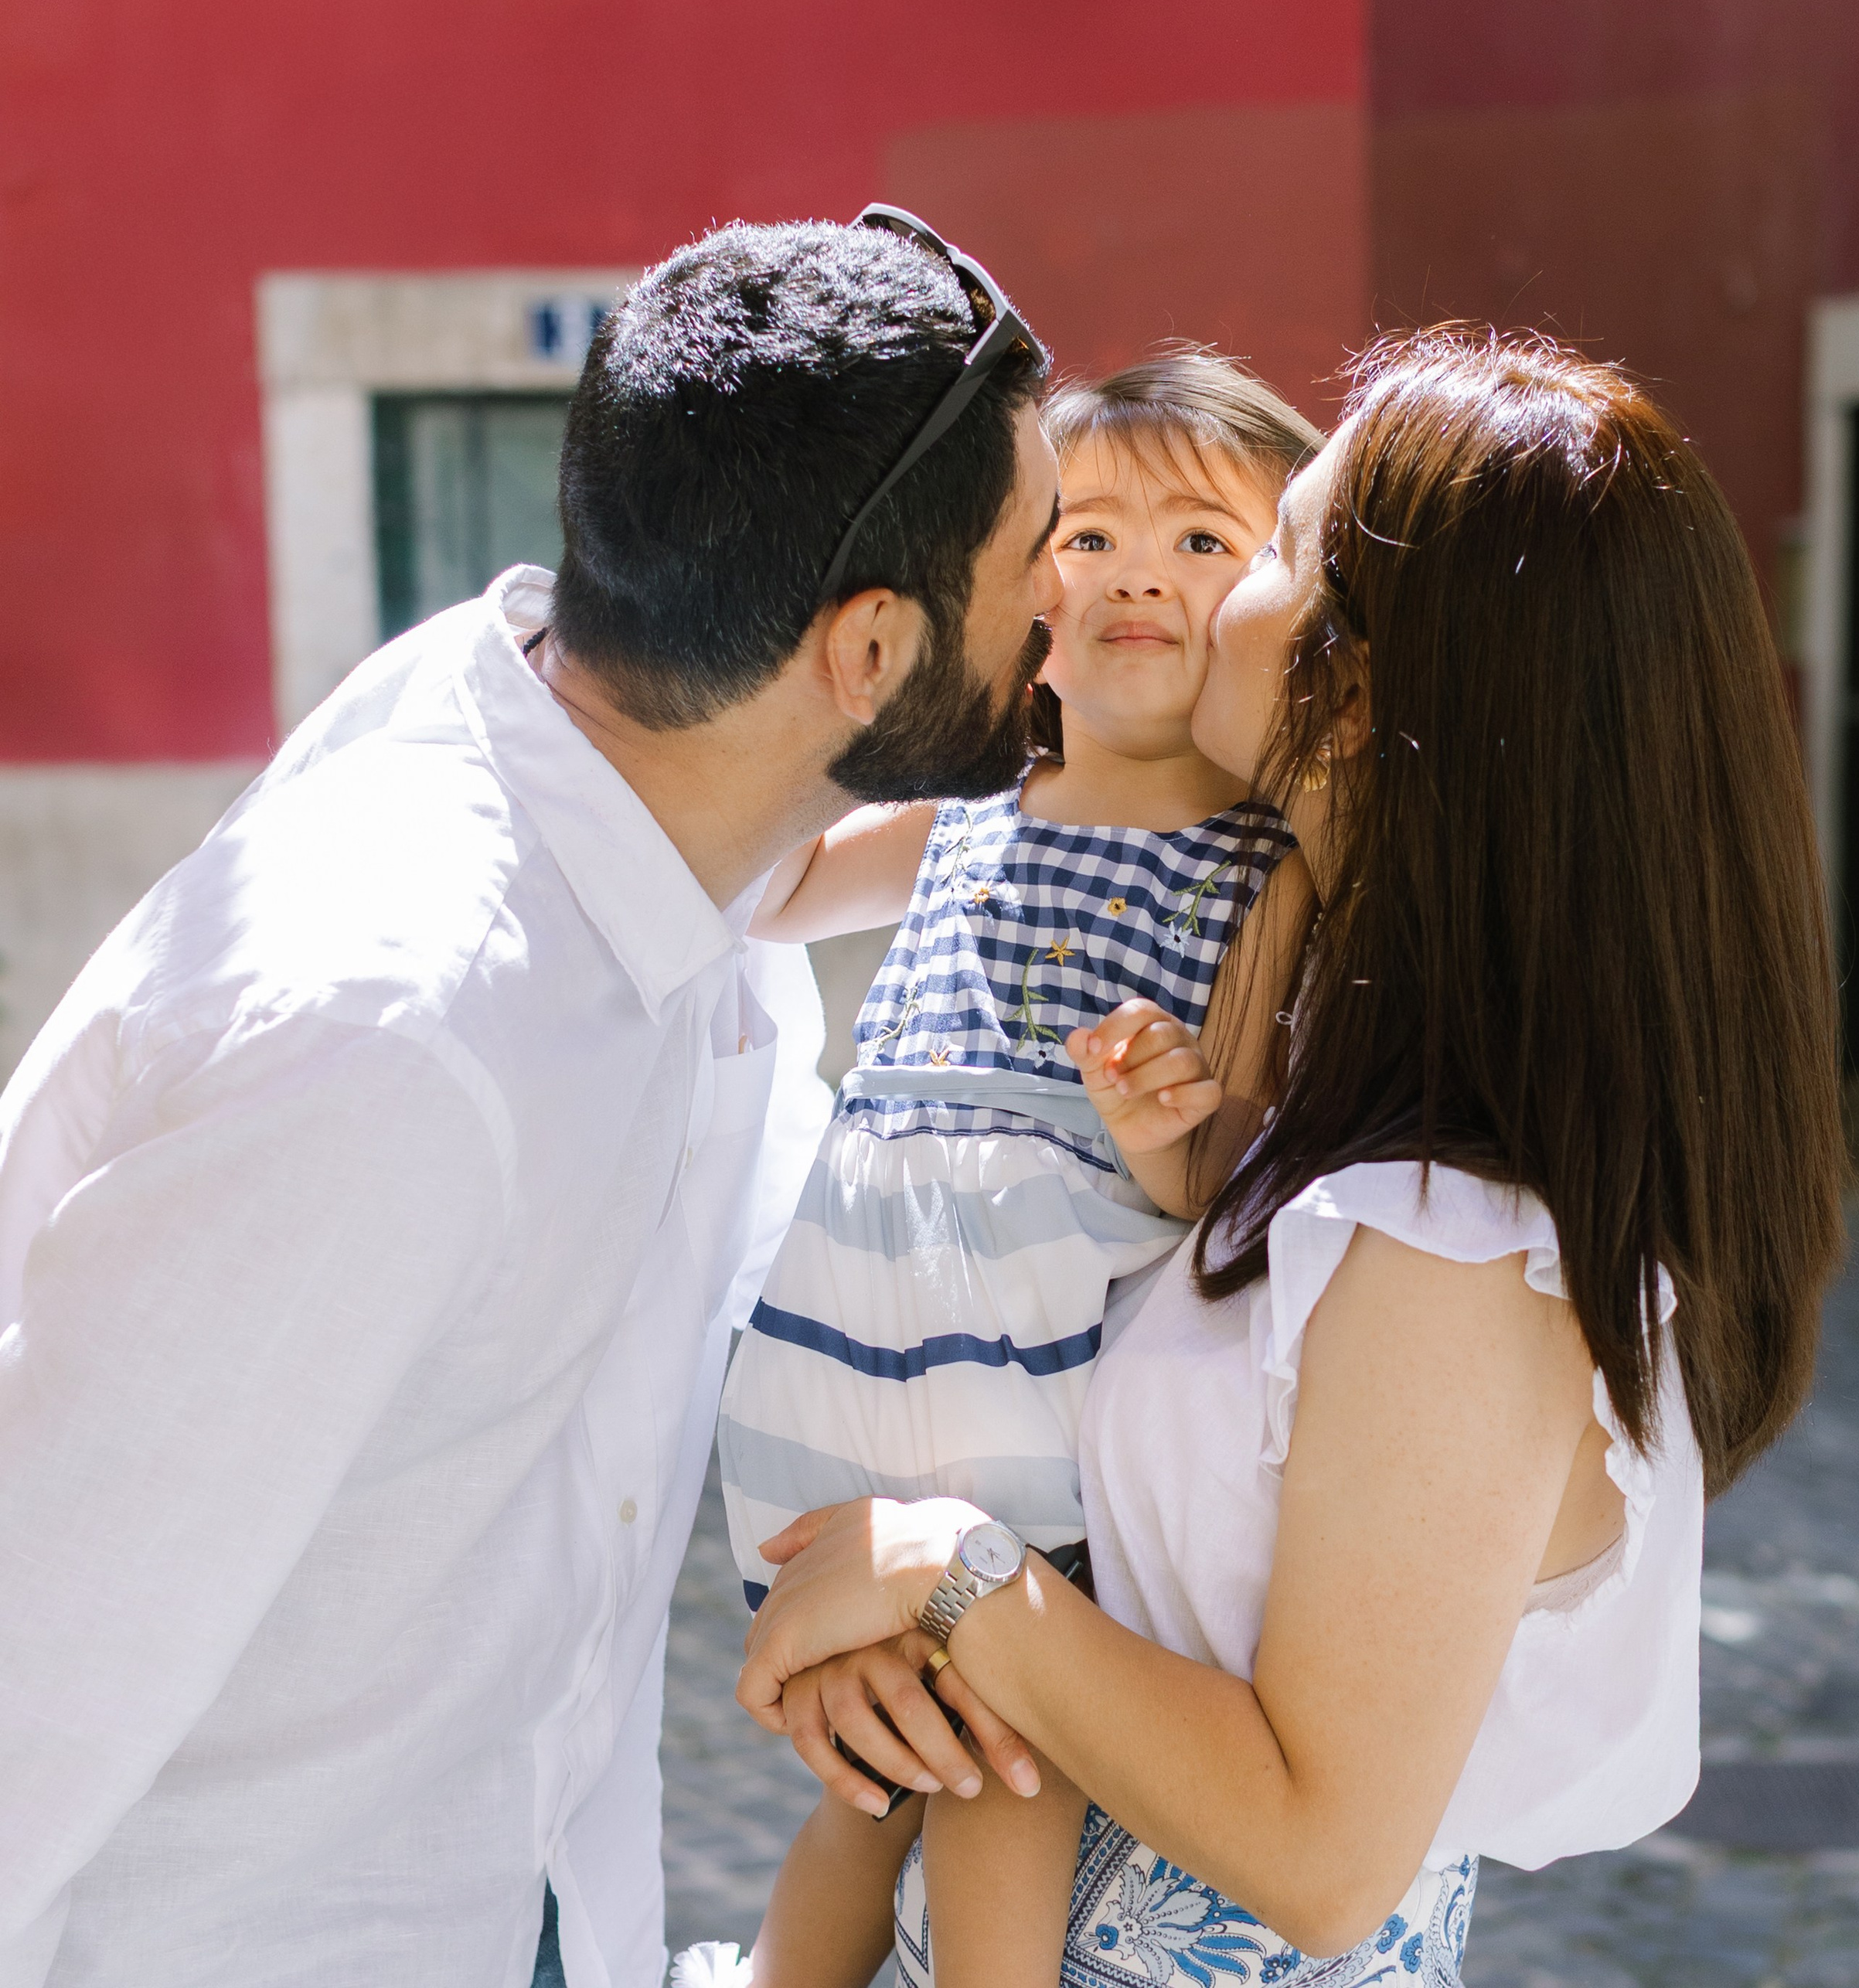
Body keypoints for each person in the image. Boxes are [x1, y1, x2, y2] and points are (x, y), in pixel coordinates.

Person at [0, 207, 1063, 1988]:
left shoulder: (581, 739)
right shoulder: (394, 1054)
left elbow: (771, 872)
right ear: (866, 654)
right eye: (1041, 554)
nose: (1070, 597)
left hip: (535, 1884)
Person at [731, 328, 1850, 1988]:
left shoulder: (1448, 1246)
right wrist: (907, 1652)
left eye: (1276, 547)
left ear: (1365, 675)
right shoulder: (1325, 1048)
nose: (1206, 584)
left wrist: (948, 1574)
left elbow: (1320, 1861)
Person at [716, 352, 1321, 1988]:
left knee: (993, 1740)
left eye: (1203, 544)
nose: (1136, 572)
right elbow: (759, 888)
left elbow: (1225, 1200)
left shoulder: (1260, 869)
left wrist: (1158, 1135)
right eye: (1087, 533)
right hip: (854, 1346)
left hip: (1034, 1389)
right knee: (895, 1750)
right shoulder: (962, 807)